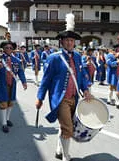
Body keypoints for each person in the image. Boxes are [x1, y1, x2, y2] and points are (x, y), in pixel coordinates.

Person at [35, 13, 91, 161]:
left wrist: (85, 89)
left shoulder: (78, 57)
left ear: (74, 42)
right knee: (68, 128)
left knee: (65, 126)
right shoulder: (54, 58)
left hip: (75, 98)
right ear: (61, 42)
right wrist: (40, 98)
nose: (69, 43)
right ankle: (66, 157)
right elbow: (46, 80)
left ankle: (59, 150)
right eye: (66, 40)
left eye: (72, 40)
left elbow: (81, 75)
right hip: (60, 99)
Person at [0, 41, 27, 133]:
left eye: (10, 48)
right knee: (3, 103)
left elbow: (20, 71)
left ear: (13, 49)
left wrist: (24, 82)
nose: (8, 49)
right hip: (2, 84)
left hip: (12, 84)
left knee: (11, 102)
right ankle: (4, 123)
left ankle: (7, 119)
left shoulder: (16, 60)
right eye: (6, 47)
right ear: (3, 49)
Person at [106, 44, 119, 109]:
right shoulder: (110, 55)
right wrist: (116, 62)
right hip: (113, 73)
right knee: (113, 87)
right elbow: (109, 64)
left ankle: (111, 100)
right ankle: (114, 100)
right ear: (115, 49)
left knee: (115, 87)